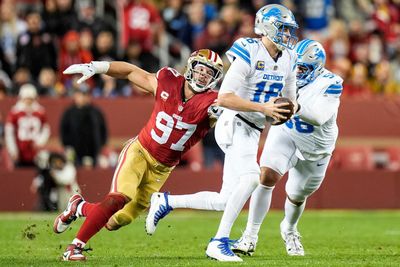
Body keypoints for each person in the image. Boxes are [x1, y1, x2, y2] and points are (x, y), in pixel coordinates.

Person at [146, 4, 298, 262]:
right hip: (233, 120)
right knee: (251, 179)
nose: (286, 34)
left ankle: (166, 202)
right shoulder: (249, 50)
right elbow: (224, 98)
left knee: (224, 200)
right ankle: (218, 242)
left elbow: (290, 101)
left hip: (253, 128)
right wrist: (264, 108)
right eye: (282, 28)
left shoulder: (289, 58)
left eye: (288, 29)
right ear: (267, 27)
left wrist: (290, 110)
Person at [53, 49, 232, 261]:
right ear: (190, 67)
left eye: (209, 73)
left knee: (115, 221)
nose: (203, 75)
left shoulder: (214, 102)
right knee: (119, 197)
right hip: (140, 150)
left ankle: (79, 207)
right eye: (201, 69)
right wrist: (97, 66)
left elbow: (234, 109)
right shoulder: (167, 81)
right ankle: (74, 247)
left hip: (163, 168)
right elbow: (130, 72)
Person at [231, 39, 343, 257]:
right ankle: (249, 236)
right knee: (266, 176)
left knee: (297, 194)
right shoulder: (282, 68)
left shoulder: (331, 82)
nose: (297, 72)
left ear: (316, 68)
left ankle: (290, 229)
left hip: (316, 148)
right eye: (295, 67)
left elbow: (319, 117)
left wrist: (296, 105)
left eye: (303, 68)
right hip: (286, 133)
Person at [60, 85, 107, 167]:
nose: (83, 98)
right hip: (74, 151)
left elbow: (103, 130)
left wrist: (101, 146)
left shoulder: (96, 112)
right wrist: (67, 146)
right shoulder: (69, 112)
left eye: (86, 95)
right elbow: (64, 130)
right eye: (81, 95)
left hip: (93, 151)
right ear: (75, 96)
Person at [5, 84, 50, 167]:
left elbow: (46, 129)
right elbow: (9, 132)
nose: (28, 101)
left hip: (35, 149)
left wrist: (40, 141)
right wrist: (13, 149)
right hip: (20, 149)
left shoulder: (40, 111)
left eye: (30, 99)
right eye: (26, 99)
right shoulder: (15, 112)